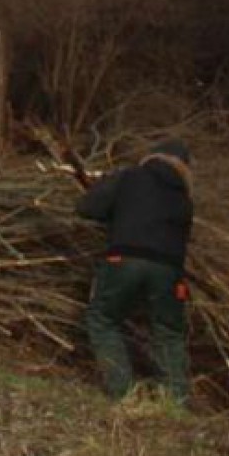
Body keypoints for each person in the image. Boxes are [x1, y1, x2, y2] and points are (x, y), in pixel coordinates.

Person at [76, 140, 195, 409]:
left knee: (103, 320)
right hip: (169, 270)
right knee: (169, 332)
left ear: (152, 157)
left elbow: (87, 208)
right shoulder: (184, 196)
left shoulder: (130, 177)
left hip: (124, 259)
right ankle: (176, 401)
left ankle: (123, 392)